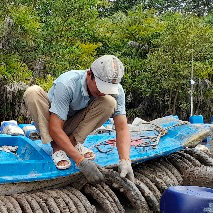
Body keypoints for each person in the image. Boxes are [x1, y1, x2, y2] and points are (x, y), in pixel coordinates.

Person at [23, 55, 134, 184]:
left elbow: (121, 127)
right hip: (52, 122)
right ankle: (57, 147)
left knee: (109, 102)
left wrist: (125, 160)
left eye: (107, 89)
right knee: (32, 92)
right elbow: (55, 128)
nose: (103, 92)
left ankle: (73, 143)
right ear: (89, 75)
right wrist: (80, 161)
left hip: (73, 124)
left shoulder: (117, 91)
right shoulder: (67, 84)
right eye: (100, 86)